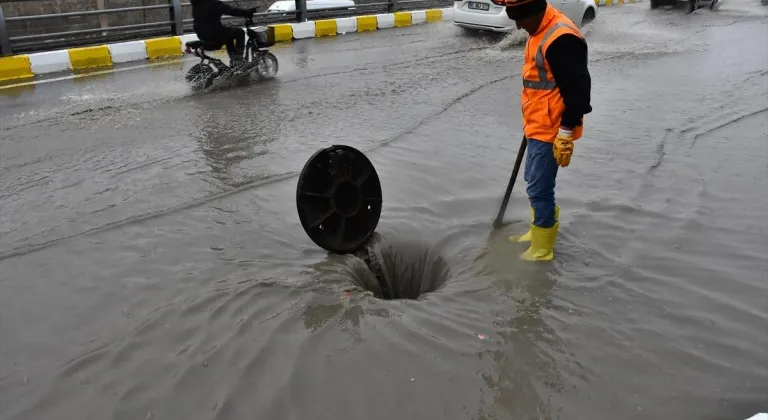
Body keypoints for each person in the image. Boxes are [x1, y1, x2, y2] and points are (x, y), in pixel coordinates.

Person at [505, 0, 592, 261]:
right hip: (536, 123)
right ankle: (538, 231)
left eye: (520, 19)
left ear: (536, 13)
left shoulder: (561, 39)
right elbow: (541, 81)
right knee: (533, 180)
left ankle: (542, 248)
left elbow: (578, 91)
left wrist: (566, 131)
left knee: (539, 188)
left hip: (552, 129)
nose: (518, 26)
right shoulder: (539, 30)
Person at [190, 0, 256, 67]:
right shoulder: (212, 3)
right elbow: (231, 10)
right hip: (214, 34)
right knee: (240, 32)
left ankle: (234, 59)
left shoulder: (197, 3)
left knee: (229, 33)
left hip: (202, 34)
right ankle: (238, 61)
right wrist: (248, 12)